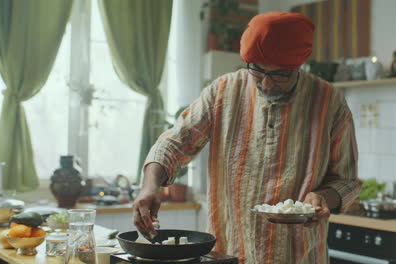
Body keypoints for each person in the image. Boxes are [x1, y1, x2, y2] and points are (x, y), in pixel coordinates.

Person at [133, 11, 360, 264]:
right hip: (229, 253)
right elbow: (175, 142)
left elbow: (346, 180)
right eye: (258, 70)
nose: (267, 83)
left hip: (298, 256)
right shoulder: (223, 92)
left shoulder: (329, 102)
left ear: (299, 65)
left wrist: (325, 197)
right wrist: (150, 185)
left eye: (280, 74)